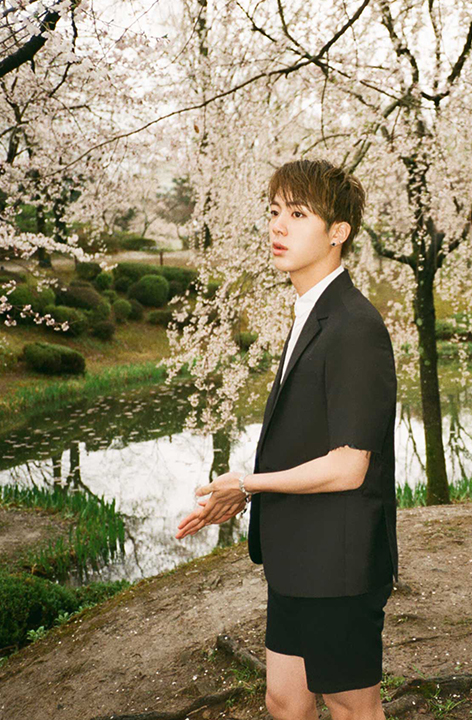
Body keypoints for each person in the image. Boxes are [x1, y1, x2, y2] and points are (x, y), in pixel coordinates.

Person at [174, 159, 398, 720]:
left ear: (338, 231)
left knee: (351, 707)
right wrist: (246, 492)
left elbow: (349, 466)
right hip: (299, 553)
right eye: (274, 212)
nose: (277, 226)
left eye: (298, 215)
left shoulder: (355, 326)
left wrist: (247, 484)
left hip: (339, 561)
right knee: (284, 701)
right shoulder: (311, 312)